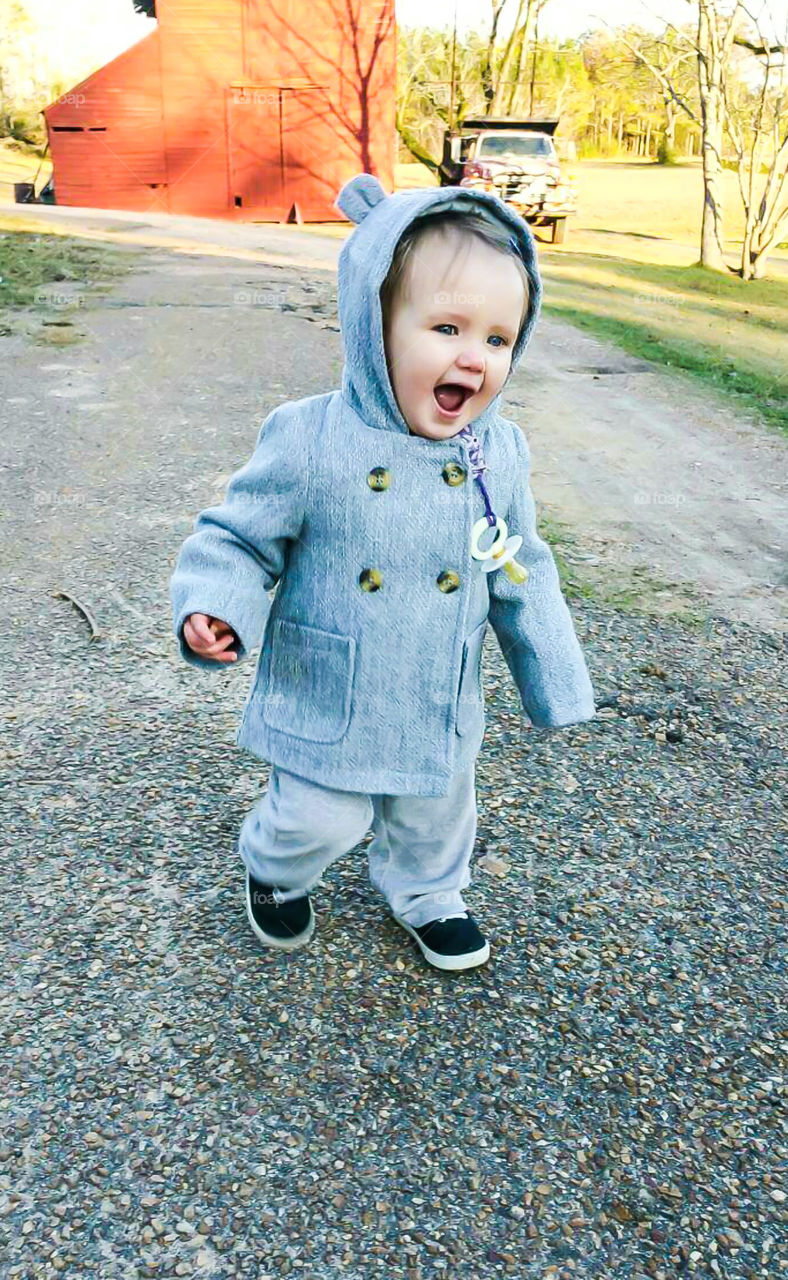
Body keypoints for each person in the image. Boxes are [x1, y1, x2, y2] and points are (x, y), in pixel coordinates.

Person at [169, 172, 596, 972]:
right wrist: (217, 604)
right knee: (317, 819)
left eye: (499, 340)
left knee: (437, 810)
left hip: (437, 688)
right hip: (333, 685)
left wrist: (555, 677)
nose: (475, 357)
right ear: (376, 324)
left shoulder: (496, 453)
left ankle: (430, 891)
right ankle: (273, 866)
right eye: (446, 327)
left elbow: (521, 565)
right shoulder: (311, 437)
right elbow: (237, 537)